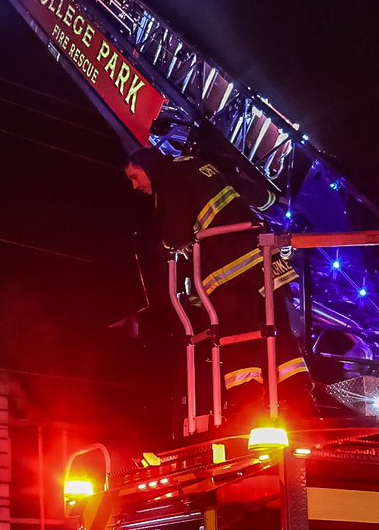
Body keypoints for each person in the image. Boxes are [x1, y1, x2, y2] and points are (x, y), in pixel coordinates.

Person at [126, 144, 312, 428]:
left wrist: (166, 247)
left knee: (238, 339)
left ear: (148, 167)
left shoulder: (168, 178)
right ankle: (299, 399)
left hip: (231, 272)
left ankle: (247, 407)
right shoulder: (196, 164)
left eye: (135, 176)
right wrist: (278, 203)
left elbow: (175, 234)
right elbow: (252, 194)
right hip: (261, 259)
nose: (135, 186)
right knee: (279, 330)